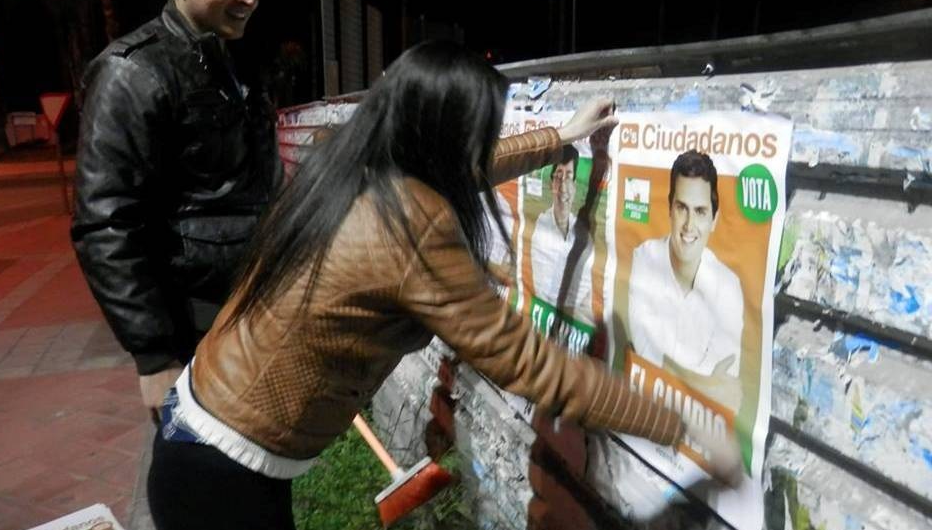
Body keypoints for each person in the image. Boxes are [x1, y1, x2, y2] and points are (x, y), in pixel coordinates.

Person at [147, 42, 742, 529]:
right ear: (446, 134)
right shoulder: (409, 225)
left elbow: (464, 172)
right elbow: (530, 364)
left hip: (199, 431)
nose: (483, 143)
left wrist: (559, 139)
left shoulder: (350, 168)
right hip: (223, 476)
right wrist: (681, 426)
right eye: (480, 130)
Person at [71, 0, 278, 420]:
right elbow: (105, 223)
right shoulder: (131, 73)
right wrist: (154, 355)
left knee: (258, 474)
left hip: (247, 318)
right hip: (190, 340)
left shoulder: (232, 58)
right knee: (195, 472)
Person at [627, 150, 744, 410]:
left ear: (714, 220)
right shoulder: (645, 259)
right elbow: (645, 353)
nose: (689, 225)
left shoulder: (728, 287)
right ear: (669, 208)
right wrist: (703, 383)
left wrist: (664, 366)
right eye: (682, 208)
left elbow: (726, 384)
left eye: (701, 211)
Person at [530, 144, 596, 325]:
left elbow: (586, 298)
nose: (563, 187)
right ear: (552, 183)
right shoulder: (542, 227)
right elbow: (547, 296)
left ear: (575, 185)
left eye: (568, 177)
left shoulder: (584, 236)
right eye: (559, 177)